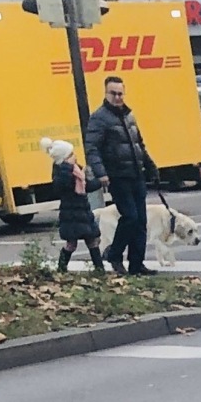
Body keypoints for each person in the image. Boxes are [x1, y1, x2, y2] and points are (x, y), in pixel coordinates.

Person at [85, 74, 155, 274]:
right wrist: (101, 173)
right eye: (113, 93)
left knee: (141, 221)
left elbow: (138, 144)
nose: (117, 97)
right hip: (117, 176)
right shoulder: (99, 118)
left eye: (120, 93)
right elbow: (92, 148)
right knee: (130, 217)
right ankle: (114, 253)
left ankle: (136, 264)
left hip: (136, 174)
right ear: (106, 93)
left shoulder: (128, 115)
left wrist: (149, 164)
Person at [41, 136, 102, 273]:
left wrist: (99, 182)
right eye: (71, 155)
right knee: (72, 243)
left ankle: (99, 269)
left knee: (92, 240)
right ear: (64, 158)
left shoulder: (77, 170)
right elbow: (62, 187)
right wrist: (69, 171)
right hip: (71, 212)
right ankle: (62, 268)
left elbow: (87, 186)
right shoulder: (64, 173)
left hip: (82, 210)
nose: (75, 156)